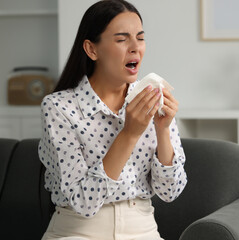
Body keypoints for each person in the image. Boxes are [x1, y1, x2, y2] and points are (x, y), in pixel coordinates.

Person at [38, 0, 187, 239]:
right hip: (78, 230)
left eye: (140, 37)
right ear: (91, 49)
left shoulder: (150, 98)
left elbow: (170, 191)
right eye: (121, 39)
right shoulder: (58, 107)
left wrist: (163, 130)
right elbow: (84, 202)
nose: (135, 48)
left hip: (142, 229)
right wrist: (129, 134)